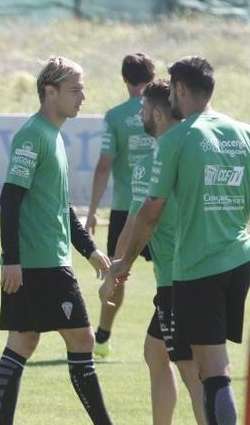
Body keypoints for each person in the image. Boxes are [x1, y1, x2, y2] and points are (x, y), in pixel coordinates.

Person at [101, 56, 250, 425]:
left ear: (180, 89)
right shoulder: (244, 133)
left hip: (197, 268)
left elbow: (148, 214)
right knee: (182, 360)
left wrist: (123, 264)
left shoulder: (176, 139)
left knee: (211, 370)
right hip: (238, 260)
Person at [0, 56, 112, 425]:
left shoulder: (54, 136)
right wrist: (12, 258)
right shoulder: (33, 135)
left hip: (45, 260)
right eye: (75, 89)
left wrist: (90, 250)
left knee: (23, 342)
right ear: (50, 91)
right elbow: (9, 198)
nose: (83, 96)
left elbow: (60, 207)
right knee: (82, 341)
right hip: (40, 263)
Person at [100, 79, 204, 424]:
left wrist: (115, 272)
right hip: (204, 271)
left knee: (192, 371)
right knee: (155, 353)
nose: (140, 115)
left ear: (158, 114)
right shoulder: (196, 150)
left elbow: (134, 227)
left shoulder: (153, 161)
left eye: (144, 110)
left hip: (176, 281)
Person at [85, 53, 156, 358]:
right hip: (161, 204)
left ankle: (102, 336)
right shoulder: (166, 110)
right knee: (169, 269)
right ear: (152, 77)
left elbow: (104, 165)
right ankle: (175, 327)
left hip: (125, 208)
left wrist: (91, 211)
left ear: (124, 79)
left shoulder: (114, 116)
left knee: (118, 271)